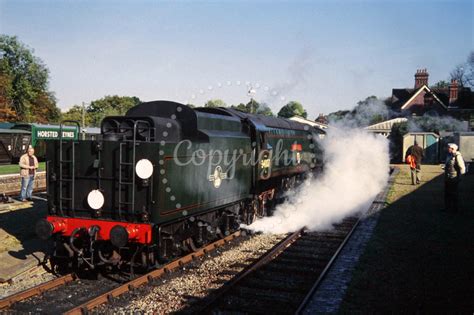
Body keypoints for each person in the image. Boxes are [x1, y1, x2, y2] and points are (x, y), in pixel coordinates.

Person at [444, 143, 466, 212]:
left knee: (453, 193)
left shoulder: (457, 156)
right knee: (447, 193)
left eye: (449, 148)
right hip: (448, 177)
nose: (448, 149)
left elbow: (462, 167)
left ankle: (454, 208)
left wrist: (461, 177)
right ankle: (447, 207)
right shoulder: (449, 155)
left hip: (454, 177)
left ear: (453, 149)